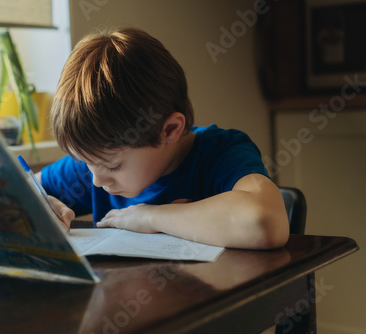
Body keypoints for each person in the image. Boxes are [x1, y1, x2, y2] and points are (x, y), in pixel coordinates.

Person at [36, 27, 289, 249]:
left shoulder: (221, 154)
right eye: (85, 162)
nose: (97, 180)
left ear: (169, 130)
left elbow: (264, 222)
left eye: (114, 166)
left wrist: (150, 217)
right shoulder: (95, 162)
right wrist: (40, 203)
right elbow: (8, 190)